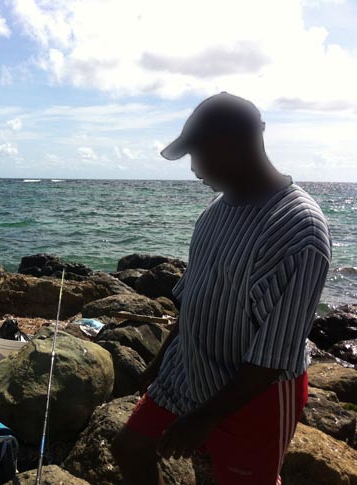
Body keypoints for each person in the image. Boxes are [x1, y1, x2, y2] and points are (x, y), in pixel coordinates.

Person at [112, 92, 332, 484]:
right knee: (130, 447)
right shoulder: (215, 211)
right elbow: (193, 297)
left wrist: (205, 418)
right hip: (189, 367)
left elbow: (273, 355)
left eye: (199, 155)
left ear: (233, 145)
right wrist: (161, 359)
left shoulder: (301, 230)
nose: (194, 169)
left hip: (256, 397)